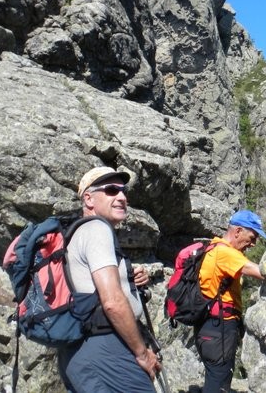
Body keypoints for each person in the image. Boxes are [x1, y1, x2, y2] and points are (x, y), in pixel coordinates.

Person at [57, 166, 161, 392]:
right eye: (112, 190)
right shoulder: (96, 229)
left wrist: (128, 280)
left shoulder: (76, 233)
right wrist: (142, 353)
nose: (122, 197)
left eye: (124, 191)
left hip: (79, 352)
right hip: (105, 350)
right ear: (88, 198)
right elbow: (112, 302)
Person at [196, 210, 266, 393]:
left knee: (218, 377)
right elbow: (262, 272)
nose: (253, 244)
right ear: (237, 231)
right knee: (217, 382)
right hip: (219, 327)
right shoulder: (225, 253)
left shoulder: (214, 247)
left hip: (212, 326)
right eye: (252, 237)